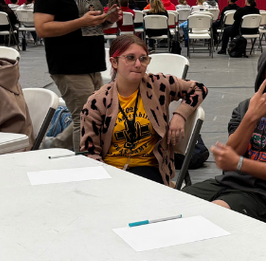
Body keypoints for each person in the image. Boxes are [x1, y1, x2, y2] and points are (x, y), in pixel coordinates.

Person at [184, 45, 266, 224]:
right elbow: (230, 156)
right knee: (177, 201)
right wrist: (250, 118)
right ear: (263, 72)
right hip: (231, 183)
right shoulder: (245, 107)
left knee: (214, 216)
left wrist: (240, 163)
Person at [80, 34, 207, 185]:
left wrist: (180, 115)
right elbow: (89, 152)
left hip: (149, 167)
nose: (138, 64)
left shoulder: (158, 85)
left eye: (143, 58)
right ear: (114, 62)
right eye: (130, 58)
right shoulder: (98, 101)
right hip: (111, 170)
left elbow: (199, 88)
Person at [34, 0, 119, 152]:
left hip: (93, 63)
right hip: (68, 65)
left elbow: (93, 25)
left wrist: (108, 19)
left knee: (97, 113)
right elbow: (42, 28)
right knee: (86, 119)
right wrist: (81, 21)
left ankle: (54, 144)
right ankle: (82, 165)